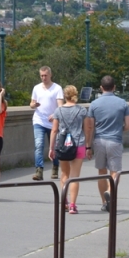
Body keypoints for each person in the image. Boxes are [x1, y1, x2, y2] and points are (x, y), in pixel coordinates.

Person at [85, 74, 129, 214]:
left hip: (99, 141)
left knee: (101, 172)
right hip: (115, 140)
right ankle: (110, 191)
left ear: (101, 88)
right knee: (115, 172)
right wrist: (119, 129)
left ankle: (105, 203)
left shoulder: (94, 104)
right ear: (114, 87)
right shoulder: (122, 103)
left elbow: (89, 126)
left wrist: (88, 146)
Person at [51, 85, 88, 214]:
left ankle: (64, 202)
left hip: (62, 146)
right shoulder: (82, 111)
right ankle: (73, 205)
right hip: (78, 144)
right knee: (75, 176)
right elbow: (86, 128)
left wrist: (51, 148)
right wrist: (88, 146)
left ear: (64, 96)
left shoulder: (58, 111)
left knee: (64, 174)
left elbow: (54, 130)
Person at [29, 66, 63, 181]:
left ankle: (55, 166)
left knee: (54, 146)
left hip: (53, 122)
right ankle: (39, 170)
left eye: (45, 75)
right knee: (39, 145)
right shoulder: (36, 88)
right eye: (42, 76)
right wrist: (33, 105)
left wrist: (54, 115)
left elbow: (61, 106)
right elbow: (32, 103)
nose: (44, 78)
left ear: (50, 75)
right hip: (39, 120)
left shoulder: (57, 88)